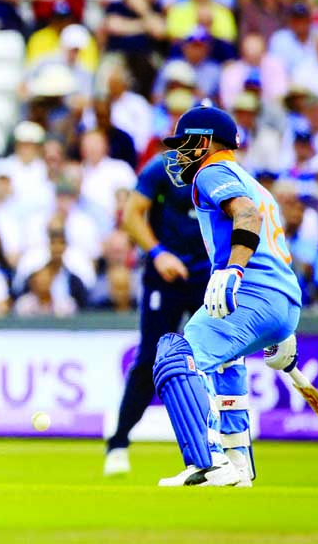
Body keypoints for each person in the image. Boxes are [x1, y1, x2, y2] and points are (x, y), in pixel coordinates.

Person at [152, 105, 301, 487]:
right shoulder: (253, 181)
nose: (178, 154)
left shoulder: (212, 171)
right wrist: (281, 328)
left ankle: (208, 462)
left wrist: (233, 269)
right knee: (225, 363)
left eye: (184, 145)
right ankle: (237, 464)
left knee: (177, 356)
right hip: (281, 298)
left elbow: (247, 216)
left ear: (204, 142)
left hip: (250, 289)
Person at [102, 151, 211, 476]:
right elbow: (132, 215)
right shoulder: (163, 167)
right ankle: (118, 443)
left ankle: (220, 450)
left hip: (209, 274)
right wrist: (158, 252)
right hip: (164, 275)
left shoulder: (224, 170)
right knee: (150, 358)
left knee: (217, 361)